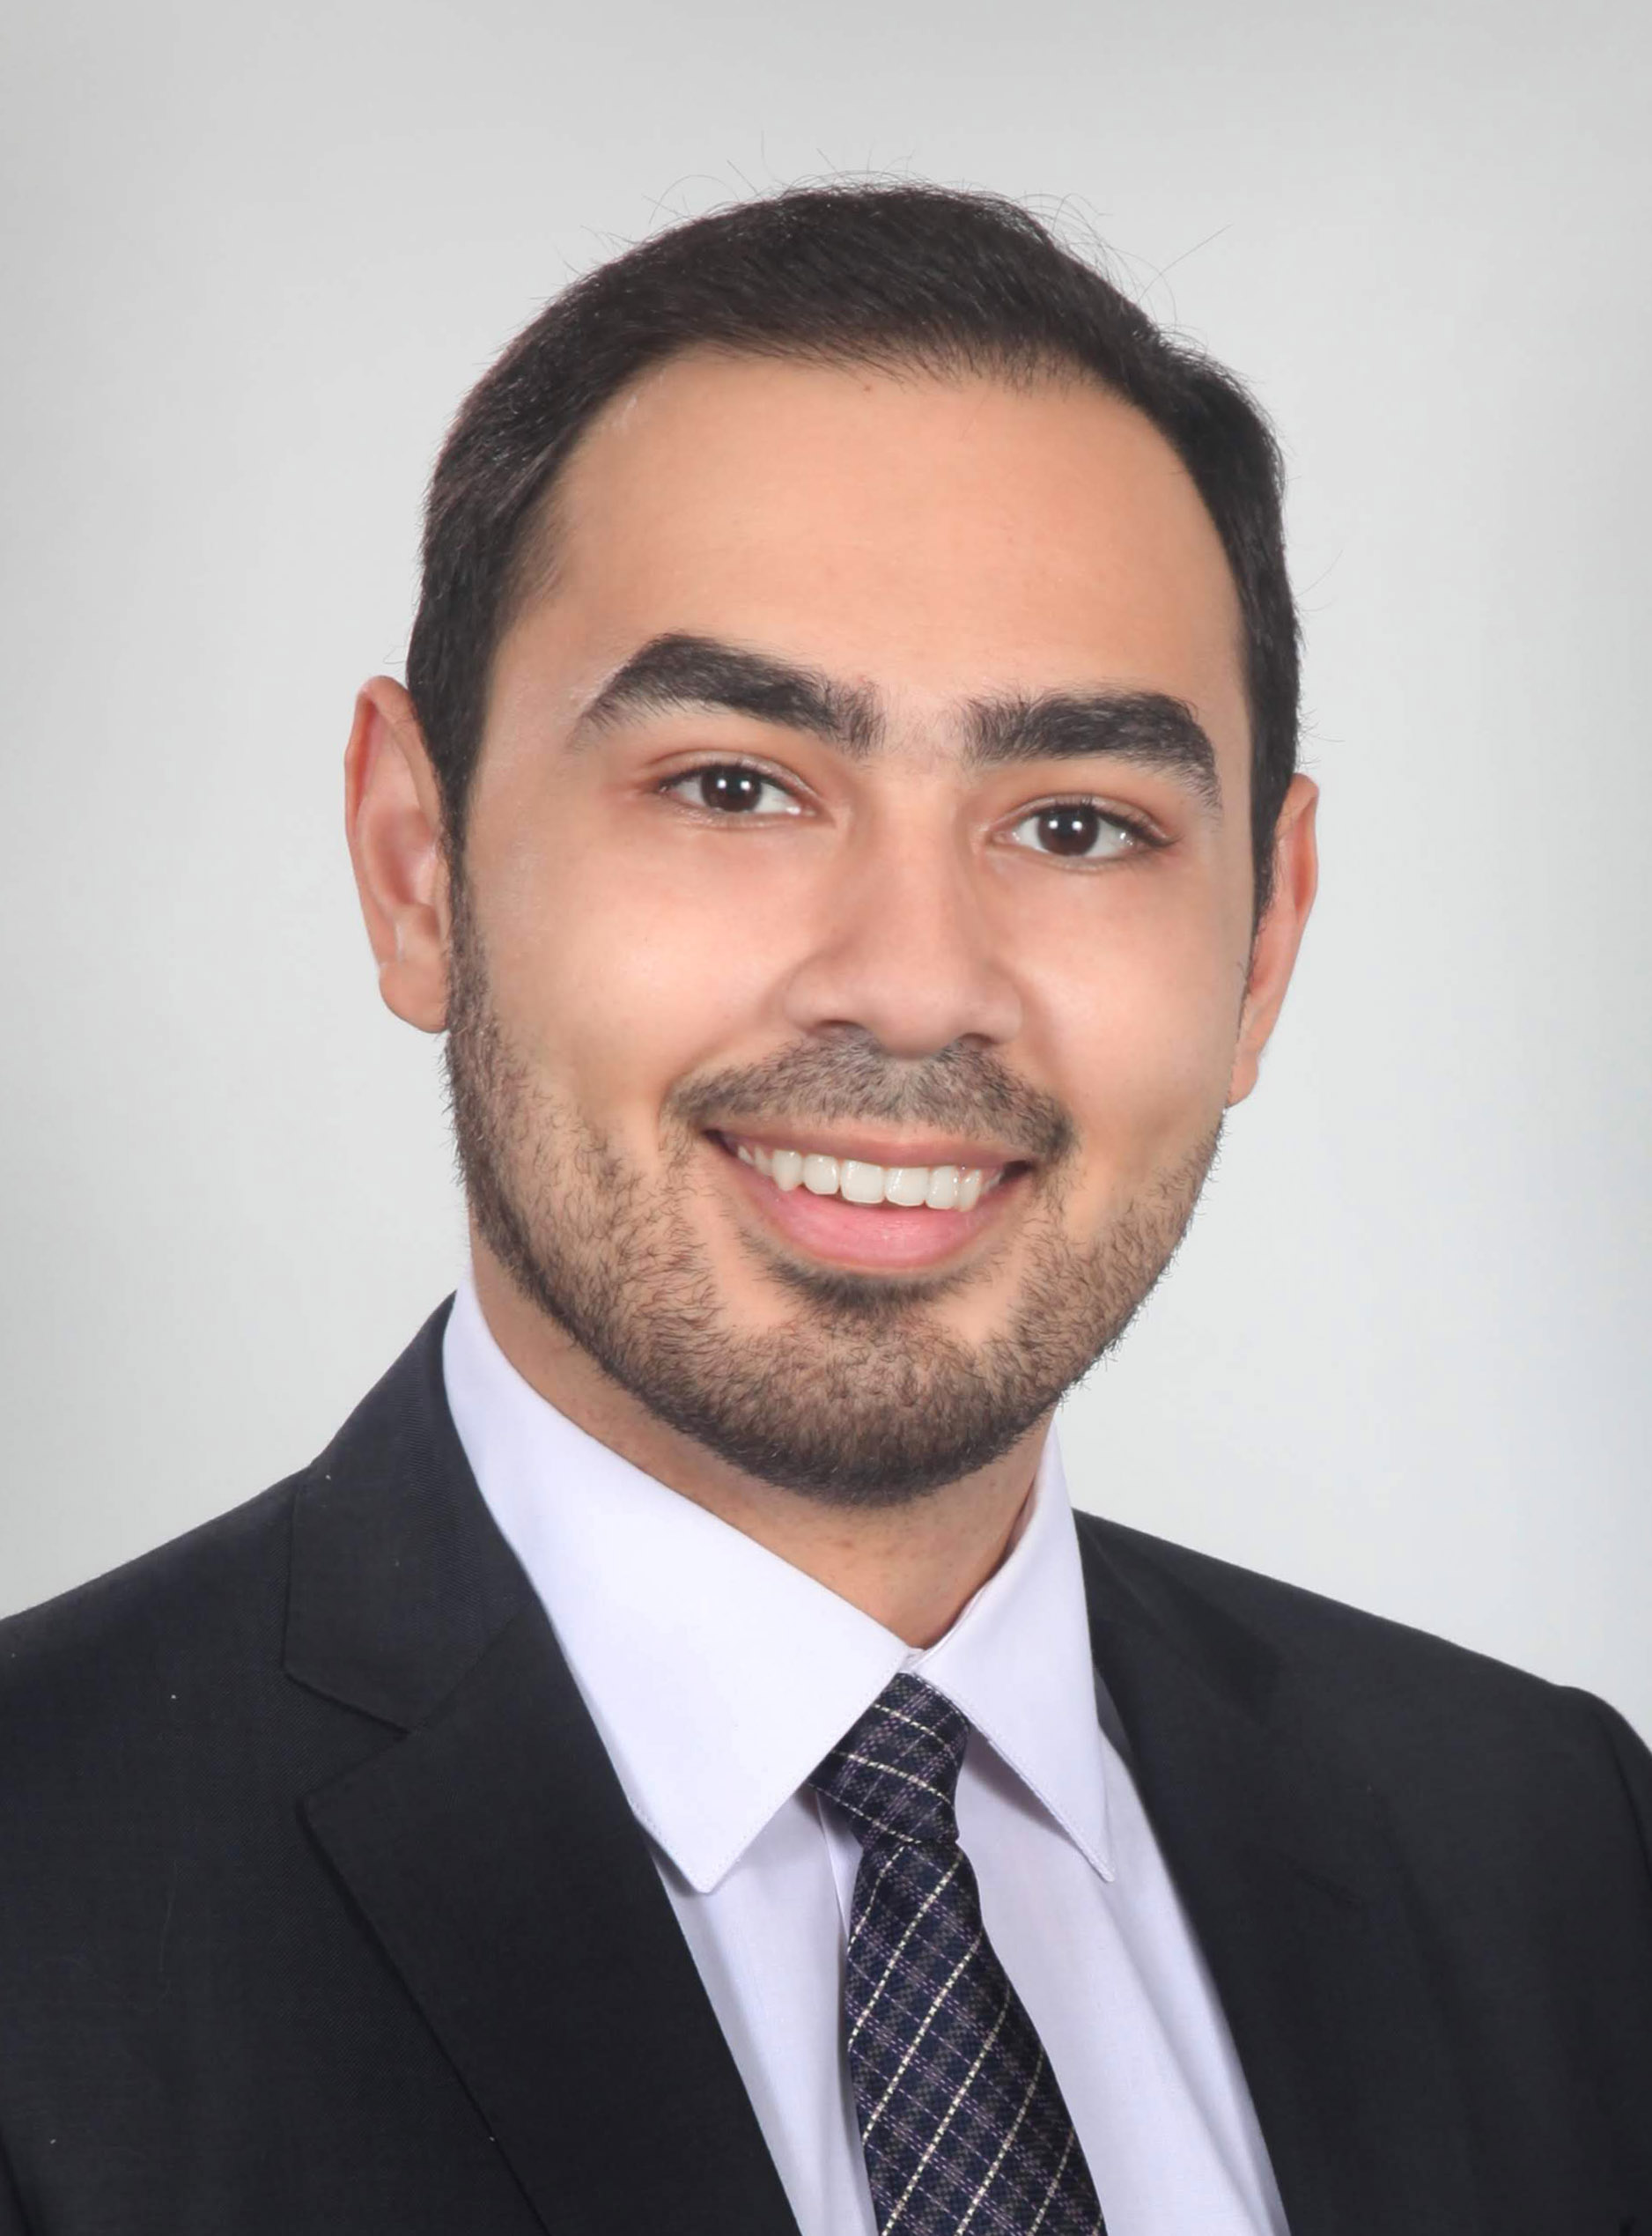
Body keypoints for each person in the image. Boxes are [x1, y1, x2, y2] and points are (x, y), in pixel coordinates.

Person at [0, 182, 1647, 2236]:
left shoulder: (1547, 1848)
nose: (913, 977)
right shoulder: (38, 1907)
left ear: (1262, 940)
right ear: (417, 861)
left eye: (1074, 822)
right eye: (734, 784)